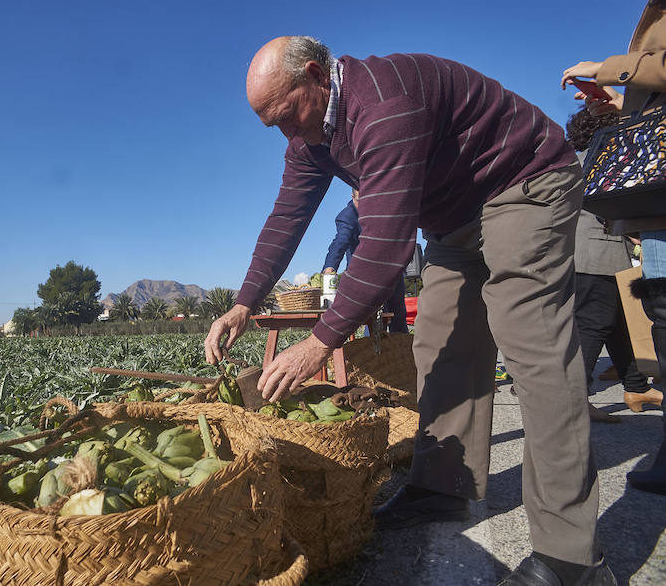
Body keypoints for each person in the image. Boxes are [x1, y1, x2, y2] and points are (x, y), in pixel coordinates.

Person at [205, 35, 613, 585]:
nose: (287, 133)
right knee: (439, 339)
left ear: (315, 74)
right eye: (273, 124)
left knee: (532, 342)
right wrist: (243, 303)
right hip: (455, 214)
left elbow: (386, 244)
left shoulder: (383, 103)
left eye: (288, 115)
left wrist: (320, 343)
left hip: (523, 181)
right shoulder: (311, 135)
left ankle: (573, 558)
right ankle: (445, 489)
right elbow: (286, 218)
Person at [562, 0, 666, 496]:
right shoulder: (591, 163)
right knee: (606, 317)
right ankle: (588, 396)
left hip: (602, 244)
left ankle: (632, 387)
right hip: (601, 246)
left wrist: (608, 70)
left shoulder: (579, 160)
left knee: (617, 317)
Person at [564, 108, 659, 423]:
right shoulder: (602, 158)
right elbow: (615, 201)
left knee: (619, 324)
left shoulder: (575, 159)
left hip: (587, 252)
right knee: (593, 324)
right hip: (597, 253)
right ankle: (575, 402)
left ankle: (635, 387)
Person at [323, 188, 409, 334]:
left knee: (398, 319)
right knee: (374, 319)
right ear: (353, 196)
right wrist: (330, 267)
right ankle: (371, 353)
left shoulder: (382, 209)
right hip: (365, 278)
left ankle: (402, 354)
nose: (366, 206)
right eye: (360, 200)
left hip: (391, 273)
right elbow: (341, 241)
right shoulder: (347, 216)